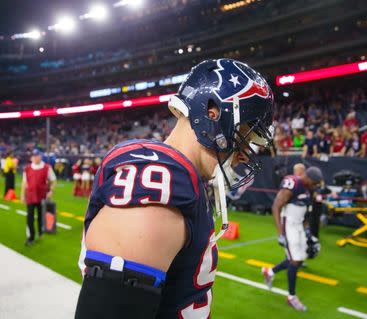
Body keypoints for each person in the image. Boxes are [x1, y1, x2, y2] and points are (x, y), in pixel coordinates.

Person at [74, 59, 274, 319]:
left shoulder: (186, 179)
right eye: (245, 134)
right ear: (212, 113)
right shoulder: (158, 179)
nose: (245, 155)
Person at [262, 166, 323, 311]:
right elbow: (276, 207)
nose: (315, 186)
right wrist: (280, 233)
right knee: (295, 261)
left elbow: (305, 214)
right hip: (288, 225)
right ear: (308, 178)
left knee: (300, 258)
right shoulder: (293, 183)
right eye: (314, 183)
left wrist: (307, 232)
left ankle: (269, 272)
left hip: (299, 226)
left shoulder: (309, 189)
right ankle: (291, 297)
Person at [20, 149, 57, 246]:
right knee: (30, 217)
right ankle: (31, 237)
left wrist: (51, 191)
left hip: (42, 197)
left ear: (41, 156)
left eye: (38, 155)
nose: (36, 157)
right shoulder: (27, 168)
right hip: (31, 196)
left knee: (41, 216)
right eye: (34, 156)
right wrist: (22, 195)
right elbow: (24, 183)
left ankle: (40, 231)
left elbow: (53, 180)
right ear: (31, 157)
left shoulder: (47, 167)